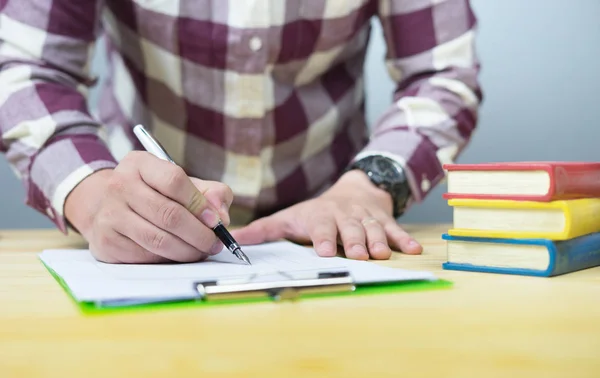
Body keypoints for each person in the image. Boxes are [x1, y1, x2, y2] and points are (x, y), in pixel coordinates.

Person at [0, 0, 481, 264]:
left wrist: (370, 185)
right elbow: (25, 70)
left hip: (331, 234)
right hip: (136, 234)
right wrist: (92, 195)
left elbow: (442, 76)